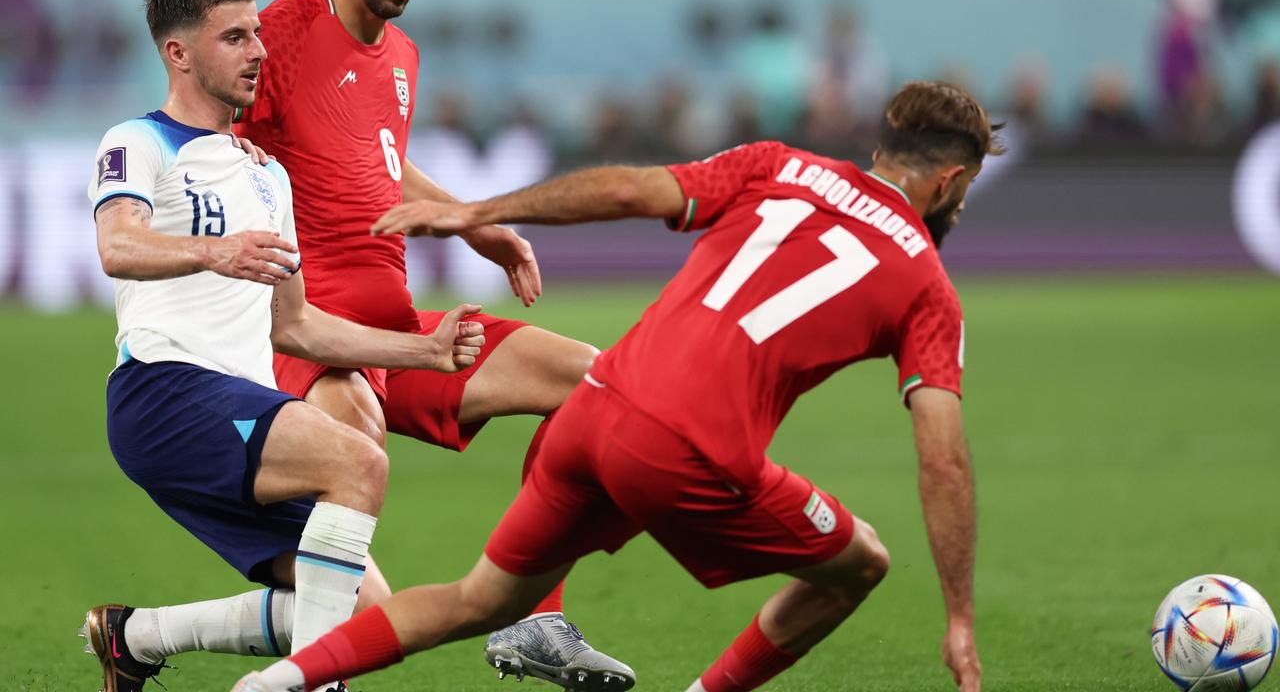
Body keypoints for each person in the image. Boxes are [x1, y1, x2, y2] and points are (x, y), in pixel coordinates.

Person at [234, 80, 998, 692]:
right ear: (951, 180)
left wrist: (478, 212)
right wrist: (959, 617)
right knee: (859, 561)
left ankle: (275, 685)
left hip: (595, 404)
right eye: (963, 195)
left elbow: (631, 190)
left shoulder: (778, 165)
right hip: (686, 450)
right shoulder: (927, 286)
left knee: (477, 601)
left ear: (880, 149)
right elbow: (944, 460)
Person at [78, 0, 484, 691]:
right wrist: (214, 251)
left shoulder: (268, 178)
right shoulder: (137, 141)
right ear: (178, 53)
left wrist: (423, 352)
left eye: (257, 33)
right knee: (359, 463)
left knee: (369, 612)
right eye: (234, 37)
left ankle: (134, 637)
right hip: (163, 391)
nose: (258, 51)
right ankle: (308, 684)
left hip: (236, 399)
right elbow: (119, 246)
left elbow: (293, 326)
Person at [230, 0, 632, 686]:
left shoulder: (404, 56)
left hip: (403, 334)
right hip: (312, 335)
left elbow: (384, 158)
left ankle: (535, 617)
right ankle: (299, 671)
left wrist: (474, 222)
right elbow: (212, 130)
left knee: (594, 385)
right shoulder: (281, 32)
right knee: (354, 458)